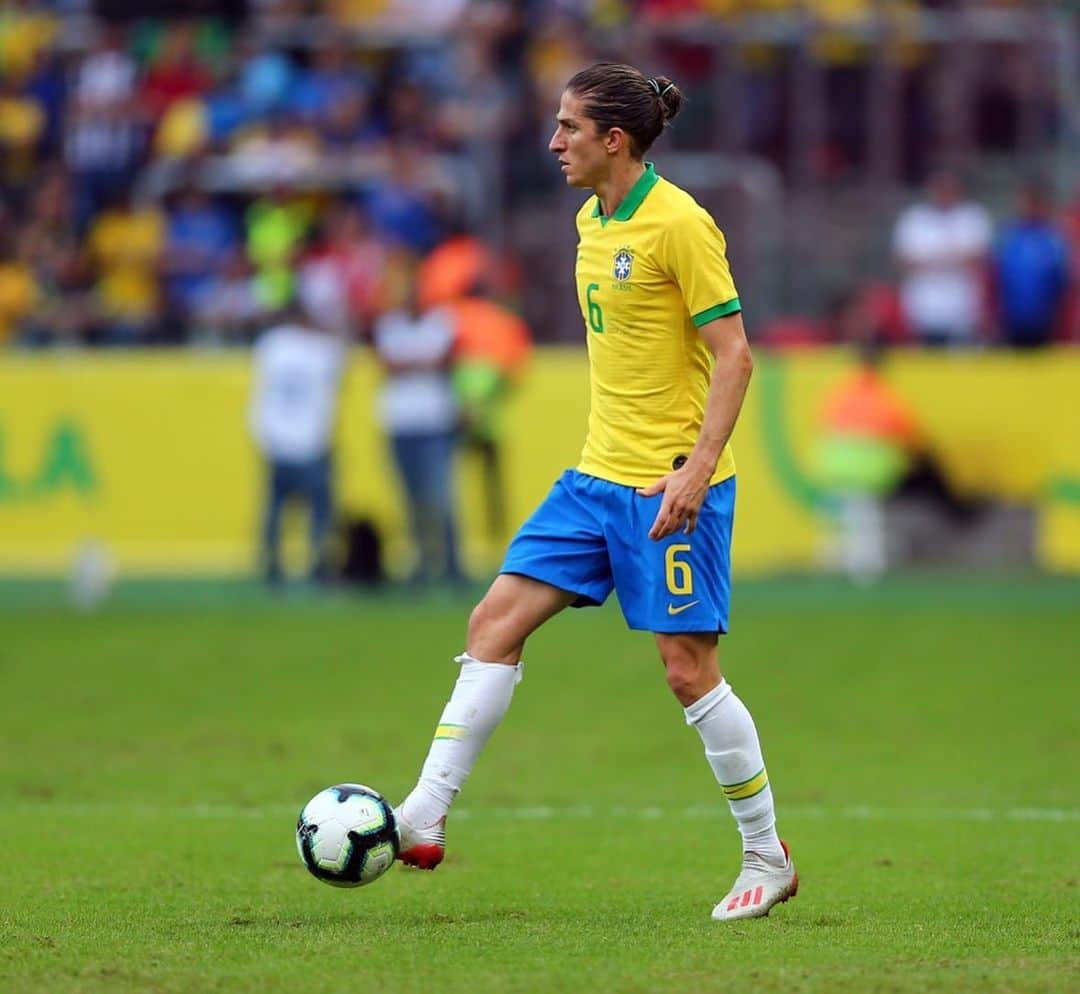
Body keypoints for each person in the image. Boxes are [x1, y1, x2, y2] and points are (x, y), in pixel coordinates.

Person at [393, 63, 797, 922]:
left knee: (687, 673)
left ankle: (766, 853)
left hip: (668, 487)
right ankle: (423, 816)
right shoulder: (590, 217)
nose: (553, 143)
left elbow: (736, 356)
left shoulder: (681, 224)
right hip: (592, 478)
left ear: (614, 140)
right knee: (490, 626)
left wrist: (693, 471)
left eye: (568, 128)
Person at [372, 282, 465, 585]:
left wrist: (408, 361)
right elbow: (388, 365)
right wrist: (421, 360)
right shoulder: (390, 324)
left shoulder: (440, 321)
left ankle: (452, 563)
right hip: (401, 423)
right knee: (411, 499)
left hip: (435, 422)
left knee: (441, 497)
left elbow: (445, 361)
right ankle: (422, 562)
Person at [249, 299, 345, 584]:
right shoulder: (321, 349)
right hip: (311, 439)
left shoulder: (271, 345)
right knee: (319, 510)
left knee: (276, 508)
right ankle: (320, 562)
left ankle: (270, 563)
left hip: (276, 437)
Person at [892, 170, 992, 348]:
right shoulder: (915, 219)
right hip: (924, 308)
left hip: (961, 309)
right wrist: (952, 257)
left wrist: (931, 258)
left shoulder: (971, 216)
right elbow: (905, 261)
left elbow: (977, 258)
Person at [992, 181, 1071, 348]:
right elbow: (995, 278)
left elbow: (1064, 282)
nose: (1024, 207)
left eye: (1030, 203)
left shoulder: (1054, 238)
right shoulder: (1008, 236)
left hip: (1047, 322)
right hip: (1010, 321)